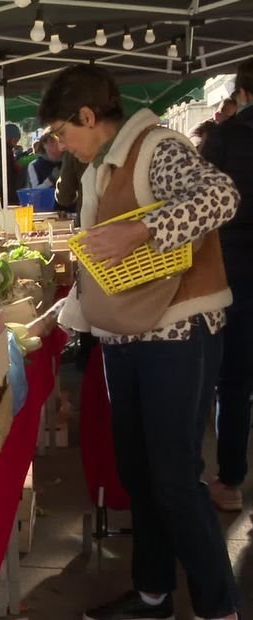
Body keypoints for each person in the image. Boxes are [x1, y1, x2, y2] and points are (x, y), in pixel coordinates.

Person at [37, 64, 240, 620]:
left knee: (176, 478)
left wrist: (141, 229)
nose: (61, 145)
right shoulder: (102, 165)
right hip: (126, 336)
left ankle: (218, 608)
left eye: (62, 132)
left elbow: (221, 196)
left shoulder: (157, 147)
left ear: (87, 116)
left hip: (177, 333)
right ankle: (153, 597)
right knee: (141, 474)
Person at [202, 60, 253, 512]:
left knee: (232, 380)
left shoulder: (224, 138)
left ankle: (231, 481)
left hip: (234, 271)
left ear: (242, 94)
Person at [0, 123, 21, 205]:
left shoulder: (0, 147)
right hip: (3, 191)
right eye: (15, 140)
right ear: (8, 137)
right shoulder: (1, 150)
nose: (15, 144)